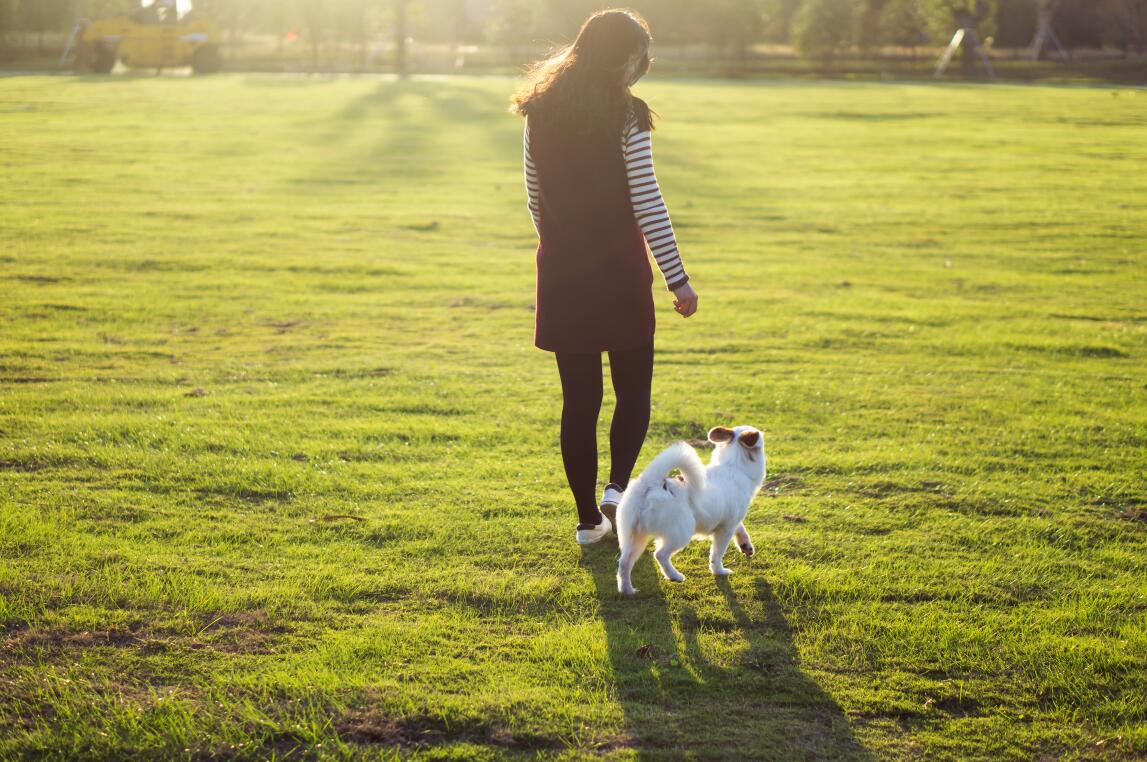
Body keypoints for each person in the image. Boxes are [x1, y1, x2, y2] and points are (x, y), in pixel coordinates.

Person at [510, 9, 698, 546]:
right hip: (618, 271)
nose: (645, 64)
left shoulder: (539, 110)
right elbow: (648, 201)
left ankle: (588, 519)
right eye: (641, 55)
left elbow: (534, 195)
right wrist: (678, 279)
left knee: (579, 401)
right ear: (624, 58)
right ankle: (617, 489)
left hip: (563, 272)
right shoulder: (627, 114)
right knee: (633, 390)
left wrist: (562, 246)